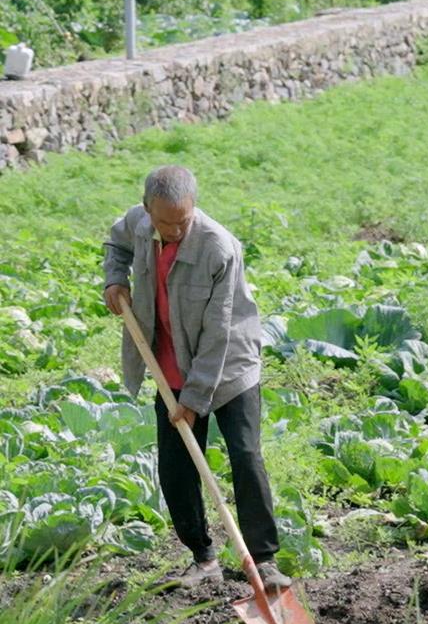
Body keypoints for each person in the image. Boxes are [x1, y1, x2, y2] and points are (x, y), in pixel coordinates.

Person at [102, 166, 290, 590]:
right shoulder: (137, 223)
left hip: (229, 366)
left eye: (182, 221)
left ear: (194, 208)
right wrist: (114, 280)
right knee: (176, 466)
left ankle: (263, 560)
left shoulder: (219, 247)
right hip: (169, 362)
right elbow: (115, 244)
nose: (174, 231)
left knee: (245, 455)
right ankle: (203, 558)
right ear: (148, 210)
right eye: (164, 222)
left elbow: (219, 332)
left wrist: (194, 398)